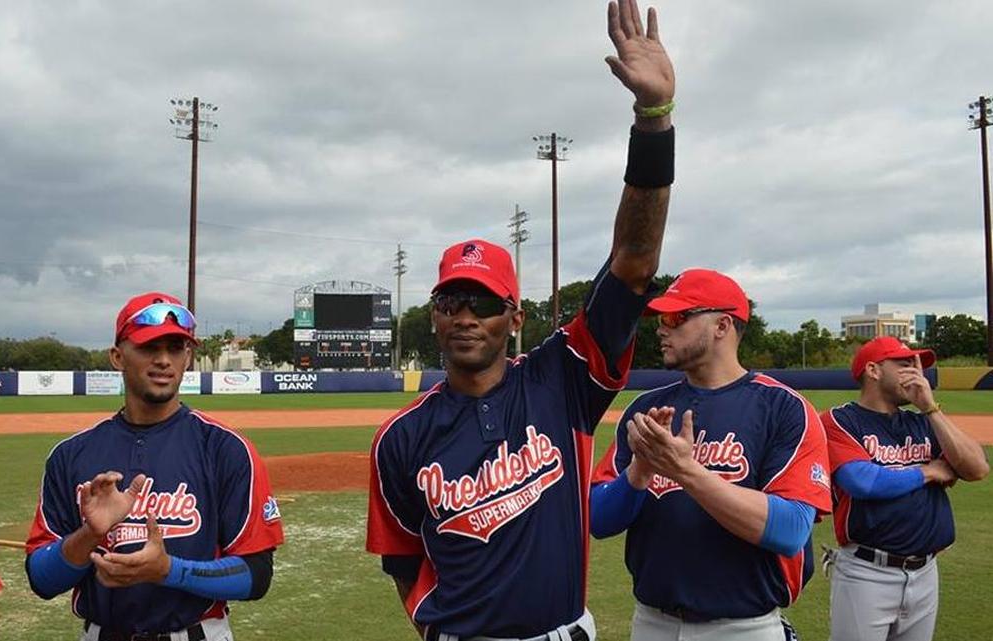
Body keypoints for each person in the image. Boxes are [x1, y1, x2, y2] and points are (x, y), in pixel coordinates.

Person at [366, 2, 675, 638]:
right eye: (451, 302)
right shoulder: (400, 437)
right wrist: (433, 622)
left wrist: (653, 122)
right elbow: (401, 557)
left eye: (483, 302)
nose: (465, 316)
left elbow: (634, 264)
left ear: (515, 317)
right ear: (434, 316)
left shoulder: (563, 379)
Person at [590, 268, 833, 641]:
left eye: (676, 317)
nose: (661, 329)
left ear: (722, 326)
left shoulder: (784, 408)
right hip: (652, 623)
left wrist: (686, 471)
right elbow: (598, 518)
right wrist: (639, 471)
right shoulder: (648, 409)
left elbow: (791, 530)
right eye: (659, 318)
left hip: (743, 628)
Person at [25, 292, 283, 641]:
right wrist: (90, 535)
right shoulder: (71, 454)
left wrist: (167, 571)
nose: (164, 360)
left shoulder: (226, 449)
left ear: (188, 357)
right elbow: (41, 579)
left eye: (176, 348)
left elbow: (256, 575)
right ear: (118, 357)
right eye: (149, 347)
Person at [821, 336, 989, 641]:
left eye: (919, 365)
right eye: (905, 363)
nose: (917, 372)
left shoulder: (923, 422)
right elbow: (864, 482)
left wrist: (931, 409)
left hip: (926, 572)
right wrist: (929, 471)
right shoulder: (839, 421)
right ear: (873, 370)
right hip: (866, 573)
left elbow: (977, 468)